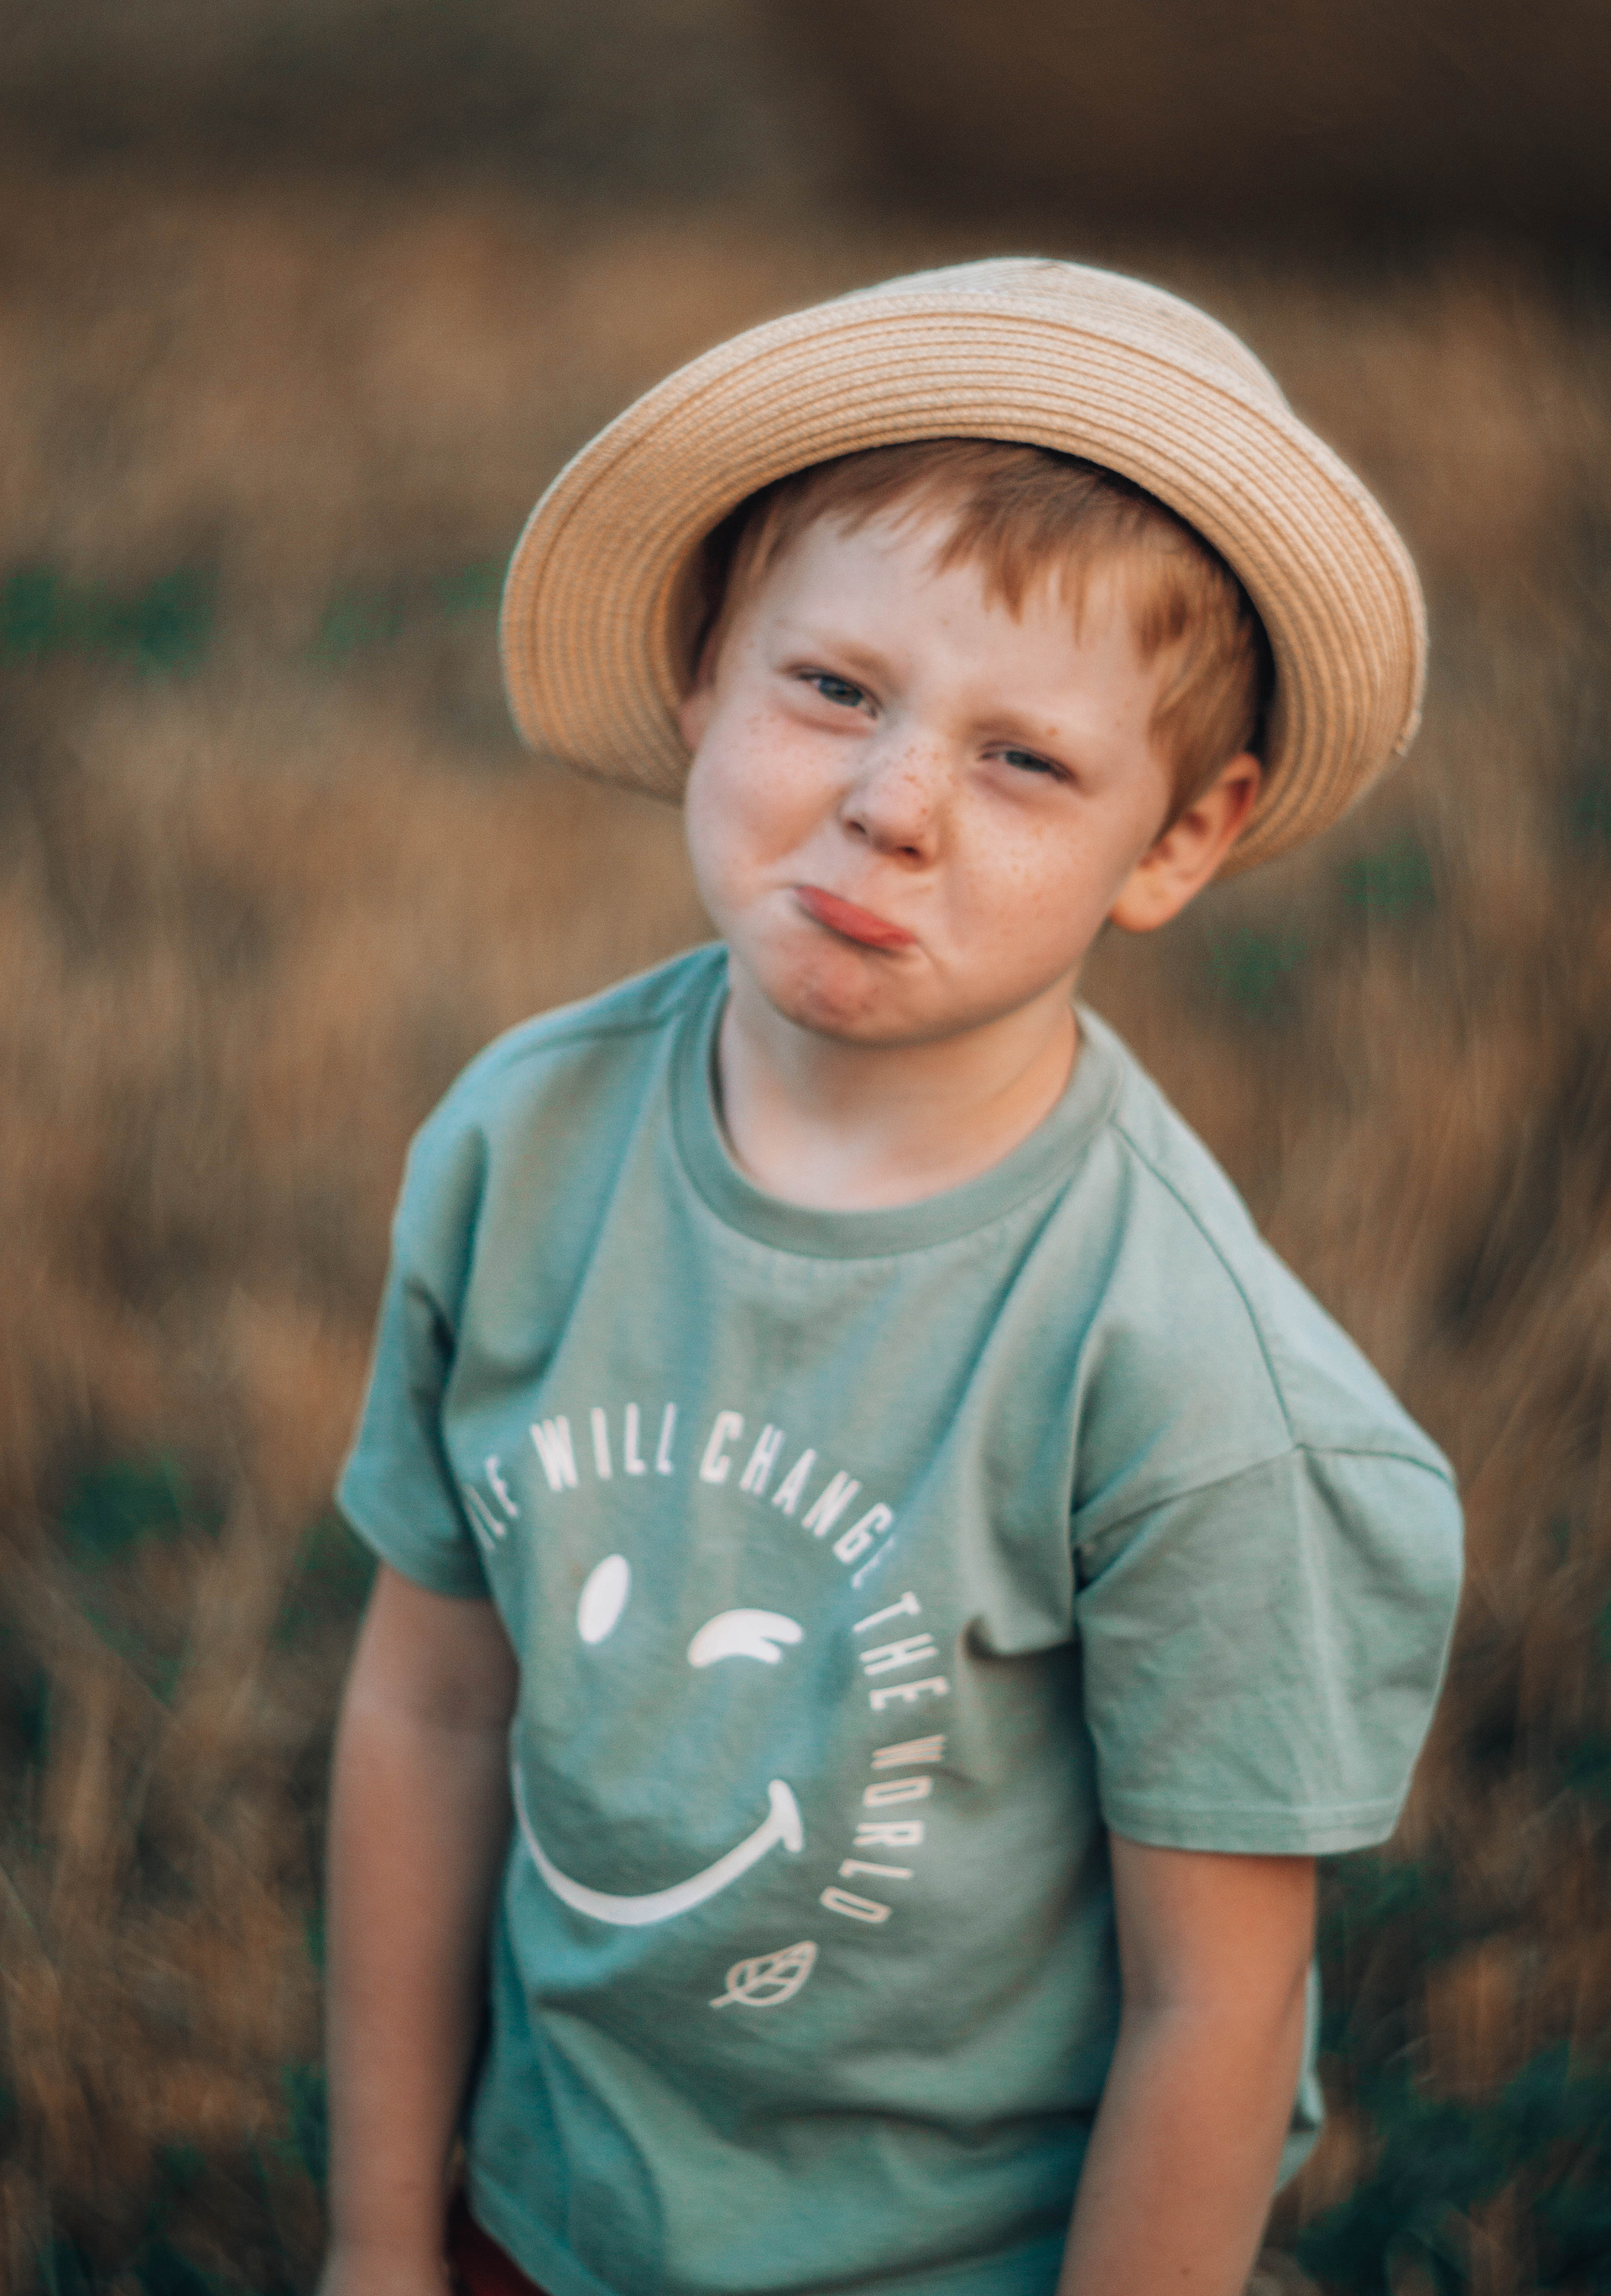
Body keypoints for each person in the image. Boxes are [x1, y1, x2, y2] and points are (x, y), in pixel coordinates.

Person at [319, 260, 1464, 2296]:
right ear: (704, 670)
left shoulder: (1187, 1381)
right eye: (837, 687)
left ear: (1179, 839)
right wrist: (379, 2238)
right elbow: (429, 1700)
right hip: (541, 2210)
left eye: (1026, 760)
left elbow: (1215, 2006)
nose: (892, 802)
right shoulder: (520, 1145)